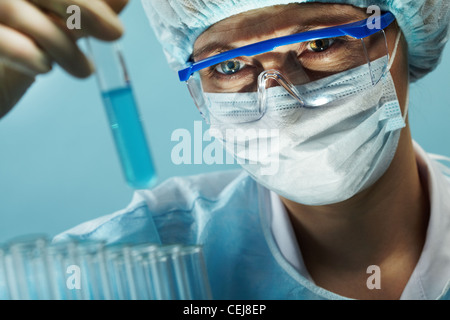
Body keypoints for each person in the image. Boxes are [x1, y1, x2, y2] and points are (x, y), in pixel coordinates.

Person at [1, 0, 449, 300]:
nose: (280, 101)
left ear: (405, 39)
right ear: (198, 92)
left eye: (322, 43)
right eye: (229, 66)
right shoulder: (129, 268)